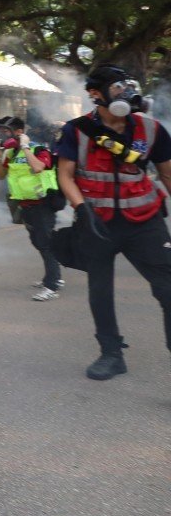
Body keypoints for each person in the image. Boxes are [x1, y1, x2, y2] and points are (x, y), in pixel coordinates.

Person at [55, 65, 171, 380]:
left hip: (145, 221)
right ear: (96, 94)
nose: (126, 93)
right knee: (100, 290)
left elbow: (167, 173)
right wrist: (81, 209)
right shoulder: (76, 130)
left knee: (168, 287)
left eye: (128, 86)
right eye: (117, 87)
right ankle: (111, 354)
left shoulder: (151, 128)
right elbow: (64, 174)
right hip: (98, 224)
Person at [0, 116, 64, 301]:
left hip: (43, 204)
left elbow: (39, 167)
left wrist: (25, 147)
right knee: (38, 242)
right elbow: (1, 175)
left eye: (5, 131)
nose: (1, 134)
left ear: (19, 132)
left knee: (45, 244)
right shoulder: (10, 153)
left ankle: (52, 286)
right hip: (25, 205)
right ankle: (53, 277)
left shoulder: (38, 149)